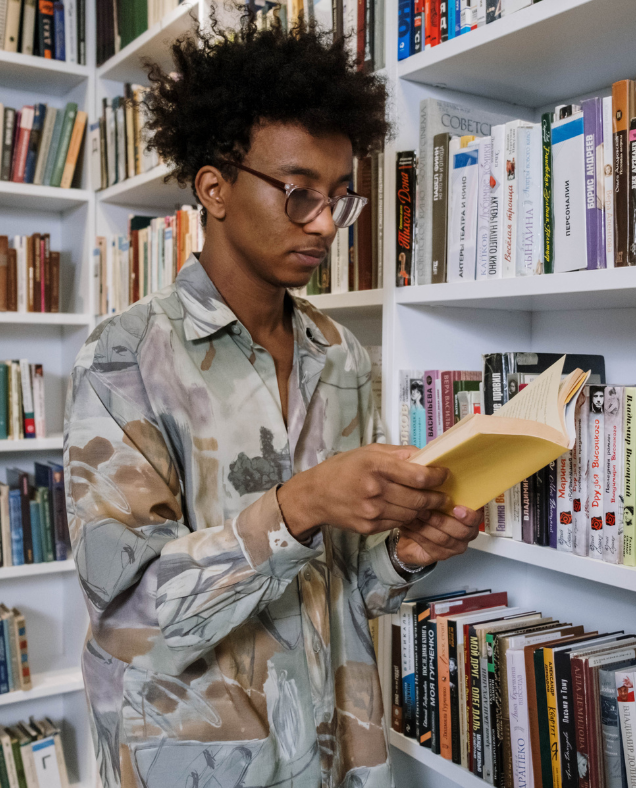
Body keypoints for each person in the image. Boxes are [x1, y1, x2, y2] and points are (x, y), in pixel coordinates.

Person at [64, 13, 481, 788]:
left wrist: (405, 556)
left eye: (338, 198)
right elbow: (128, 615)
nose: (324, 222)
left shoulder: (342, 357)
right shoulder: (125, 355)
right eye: (297, 193)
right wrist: (298, 506)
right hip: (199, 762)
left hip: (334, 750)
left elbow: (341, 585)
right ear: (214, 188)